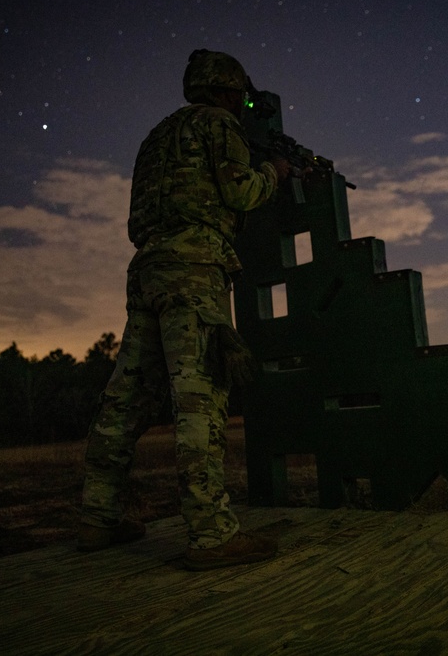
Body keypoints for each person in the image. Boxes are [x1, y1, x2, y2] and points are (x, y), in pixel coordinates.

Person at [78, 50, 290, 570]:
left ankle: (95, 518)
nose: (241, 108)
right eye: (237, 97)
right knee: (199, 397)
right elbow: (240, 192)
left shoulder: (157, 137)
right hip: (196, 268)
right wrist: (276, 172)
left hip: (148, 268)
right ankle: (211, 534)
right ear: (223, 93)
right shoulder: (218, 124)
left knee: (125, 398)